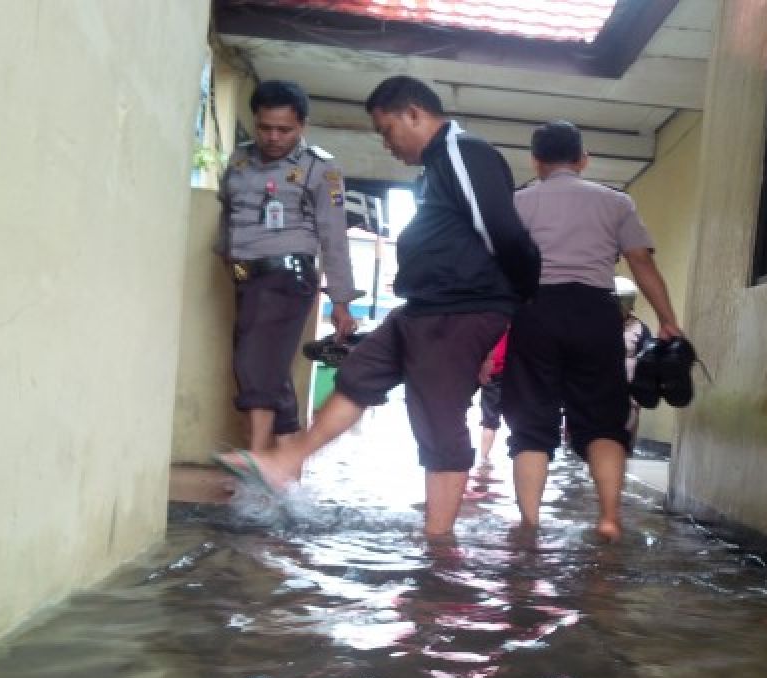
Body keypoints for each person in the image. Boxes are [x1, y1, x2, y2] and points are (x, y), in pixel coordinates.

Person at [215, 76, 540, 536]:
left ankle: (439, 543)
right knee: (359, 374)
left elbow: (503, 233)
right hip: (423, 307)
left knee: (437, 416)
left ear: (414, 114)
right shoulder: (435, 166)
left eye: (387, 131)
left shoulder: (463, 152)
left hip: (459, 309)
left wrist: (519, 300)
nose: (387, 145)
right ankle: (285, 462)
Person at [503, 121, 683, 538]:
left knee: (531, 423)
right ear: (583, 159)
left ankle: (529, 525)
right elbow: (642, 263)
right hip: (596, 312)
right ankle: (609, 519)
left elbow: (501, 267)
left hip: (535, 310)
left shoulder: (517, 202)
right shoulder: (615, 202)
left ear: (536, 160)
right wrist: (668, 318)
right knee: (603, 421)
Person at [217, 79, 361, 452]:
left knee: (254, 364)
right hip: (246, 279)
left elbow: (334, 236)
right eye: (265, 127)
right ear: (255, 122)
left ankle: (258, 461)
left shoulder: (319, 169)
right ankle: (284, 469)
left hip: (287, 277)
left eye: (285, 129)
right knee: (271, 367)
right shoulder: (240, 159)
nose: (274, 137)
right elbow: (227, 214)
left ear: (302, 126)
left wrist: (342, 301)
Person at [615, 276, 651, 448]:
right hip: (600, 390)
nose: (623, 305)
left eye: (627, 302)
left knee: (626, 435)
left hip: (630, 392)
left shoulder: (639, 328)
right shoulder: (596, 325)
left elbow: (647, 356)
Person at [477, 331, 509, 466]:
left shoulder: (493, 323)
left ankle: (483, 459)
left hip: (492, 373)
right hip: (513, 373)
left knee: (489, 421)